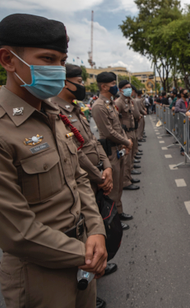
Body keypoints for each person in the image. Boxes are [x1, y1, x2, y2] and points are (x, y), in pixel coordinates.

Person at [0, 13, 107, 307]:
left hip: (84, 257)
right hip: (38, 273)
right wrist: (86, 253)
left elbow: (78, 178)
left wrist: (96, 228)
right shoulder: (1, 130)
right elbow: (17, 232)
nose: (58, 70)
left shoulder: (53, 115)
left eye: (61, 60)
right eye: (47, 59)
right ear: (8, 60)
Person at [50, 64, 118, 308]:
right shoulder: (54, 111)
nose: (82, 85)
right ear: (65, 82)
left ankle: (94, 271)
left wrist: (106, 165)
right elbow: (75, 153)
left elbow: (91, 140)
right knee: (84, 235)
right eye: (78, 80)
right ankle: (87, 280)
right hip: (84, 178)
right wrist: (100, 176)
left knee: (95, 226)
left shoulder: (75, 109)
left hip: (95, 174)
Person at [91, 72, 134, 230]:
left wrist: (125, 143)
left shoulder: (109, 104)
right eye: (112, 84)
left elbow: (119, 127)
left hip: (119, 148)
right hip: (110, 150)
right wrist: (126, 141)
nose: (115, 87)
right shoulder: (98, 106)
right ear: (103, 86)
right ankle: (111, 219)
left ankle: (119, 211)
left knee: (119, 184)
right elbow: (108, 132)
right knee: (113, 187)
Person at [115, 80, 140, 190]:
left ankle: (128, 177)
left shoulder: (129, 101)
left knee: (129, 158)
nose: (129, 89)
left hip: (132, 131)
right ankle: (125, 181)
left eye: (130, 87)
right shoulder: (118, 102)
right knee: (126, 159)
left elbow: (134, 114)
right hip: (125, 133)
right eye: (126, 87)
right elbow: (115, 119)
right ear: (121, 90)